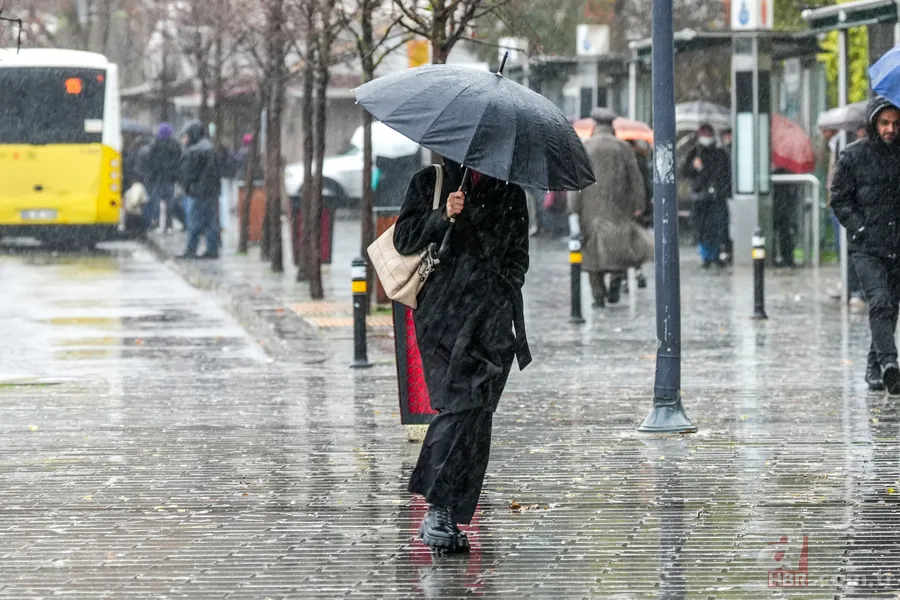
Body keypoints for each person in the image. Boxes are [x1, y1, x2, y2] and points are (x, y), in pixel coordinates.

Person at [395, 158, 531, 553]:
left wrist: (504, 289)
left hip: (490, 318)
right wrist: (442, 216)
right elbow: (404, 238)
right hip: (442, 316)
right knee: (459, 404)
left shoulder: (511, 195)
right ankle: (436, 510)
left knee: (478, 413)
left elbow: (519, 256)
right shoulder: (433, 183)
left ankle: (450, 515)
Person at [831, 96, 900, 394]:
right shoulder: (853, 156)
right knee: (881, 301)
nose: (890, 129)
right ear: (873, 123)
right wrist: (860, 227)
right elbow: (839, 199)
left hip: (896, 242)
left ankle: (875, 368)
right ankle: (889, 363)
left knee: (889, 307)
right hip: (867, 246)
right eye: (885, 123)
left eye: (896, 124)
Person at [567, 107, 651, 307]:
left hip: (590, 210)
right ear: (612, 127)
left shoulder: (584, 147)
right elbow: (636, 180)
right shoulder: (623, 148)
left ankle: (598, 294)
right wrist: (639, 205)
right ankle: (615, 282)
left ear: (595, 126)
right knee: (618, 248)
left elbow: (574, 182)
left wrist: (573, 209)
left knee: (592, 253)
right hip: (619, 207)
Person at [681, 123, 731, 268]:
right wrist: (694, 167)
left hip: (716, 196)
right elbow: (685, 172)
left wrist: (717, 186)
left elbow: (725, 173)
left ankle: (715, 254)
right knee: (703, 227)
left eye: (708, 135)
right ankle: (706, 255)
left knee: (717, 226)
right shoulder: (695, 153)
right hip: (701, 196)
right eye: (703, 135)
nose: (706, 138)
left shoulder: (720, 153)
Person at [178, 120, 223, 259]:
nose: (184, 139)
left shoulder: (193, 151)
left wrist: (186, 188)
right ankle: (212, 249)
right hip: (211, 192)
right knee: (210, 222)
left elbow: (188, 174)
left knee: (194, 222)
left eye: (186, 136)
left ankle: (191, 250)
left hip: (197, 192)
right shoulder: (210, 148)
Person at [146, 122, 182, 233]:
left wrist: (152, 173)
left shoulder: (154, 144)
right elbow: (178, 161)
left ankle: (155, 223)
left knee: (156, 202)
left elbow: (150, 161)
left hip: (157, 178)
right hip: (169, 178)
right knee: (169, 202)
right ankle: (168, 225)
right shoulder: (175, 144)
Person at [773, 167, 799, 268]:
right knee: (786, 231)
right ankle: (787, 258)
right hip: (785, 205)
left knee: (783, 231)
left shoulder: (776, 172)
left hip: (778, 203)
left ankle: (782, 257)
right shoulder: (790, 174)